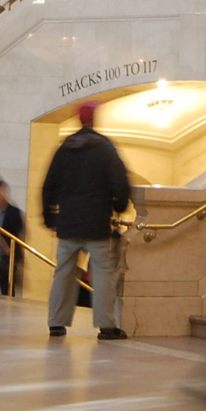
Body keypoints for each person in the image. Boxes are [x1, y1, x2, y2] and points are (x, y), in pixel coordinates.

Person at [42, 100, 131, 340]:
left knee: (63, 273)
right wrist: (119, 206)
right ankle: (106, 326)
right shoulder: (105, 148)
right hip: (97, 223)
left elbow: (49, 185)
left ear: (79, 120)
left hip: (68, 223)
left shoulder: (64, 148)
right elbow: (121, 182)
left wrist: (49, 216)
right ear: (94, 119)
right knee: (103, 274)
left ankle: (56, 323)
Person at [0, 178, 24, 296]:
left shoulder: (13, 212)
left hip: (6, 258)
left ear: (4, 195)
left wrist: (6, 244)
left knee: (7, 290)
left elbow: (19, 230)